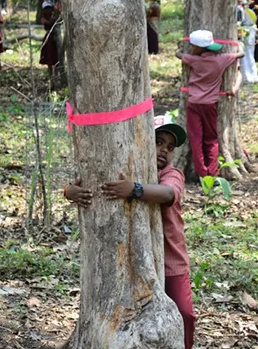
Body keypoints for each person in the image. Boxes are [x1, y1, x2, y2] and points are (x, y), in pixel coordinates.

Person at [64, 115, 195, 349]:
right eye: (158, 142)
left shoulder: (171, 174)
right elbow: (89, 183)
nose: (164, 150)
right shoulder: (128, 163)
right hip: (128, 264)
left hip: (171, 262)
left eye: (170, 147)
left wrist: (134, 189)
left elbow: (167, 194)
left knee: (183, 314)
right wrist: (69, 190)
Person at [176, 30, 244, 178]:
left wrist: (179, 49)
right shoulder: (221, 59)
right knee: (211, 138)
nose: (192, 48)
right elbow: (240, 54)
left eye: (193, 46)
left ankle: (202, 173)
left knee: (195, 138)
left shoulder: (193, 60)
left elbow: (179, 55)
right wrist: (239, 45)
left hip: (193, 104)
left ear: (199, 48)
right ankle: (212, 172)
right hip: (210, 105)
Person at [237, 0, 258, 85]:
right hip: (250, 34)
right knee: (250, 55)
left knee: (245, 56)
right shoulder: (250, 12)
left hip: (245, 34)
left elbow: (240, 23)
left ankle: (247, 77)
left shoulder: (241, 11)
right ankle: (253, 75)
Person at [40, 0, 61, 79]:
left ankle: (56, 77)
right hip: (49, 39)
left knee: (56, 59)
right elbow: (48, 24)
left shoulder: (55, 15)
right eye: (46, 8)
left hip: (55, 38)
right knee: (49, 59)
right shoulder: (43, 18)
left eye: (49, 8)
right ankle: (51, 79)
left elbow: (53, 22)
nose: (48, 10)